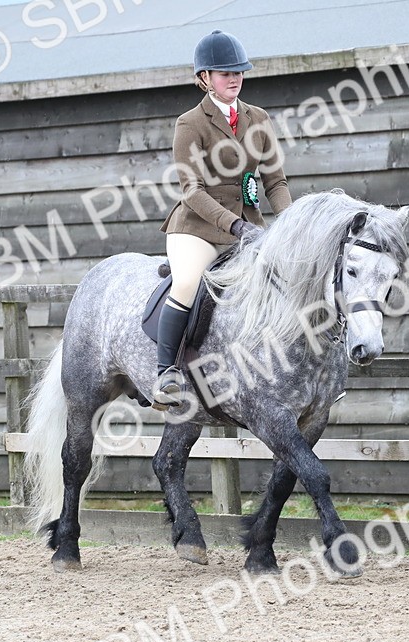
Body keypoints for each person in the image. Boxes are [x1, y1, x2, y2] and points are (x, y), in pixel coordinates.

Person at [153, 29, 292, 409]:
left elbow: (275, 181)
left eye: (239, 72)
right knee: (186, 282)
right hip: (198, 227)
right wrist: (233, 225)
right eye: (224, 73)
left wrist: (292, 222)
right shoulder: (190, 124)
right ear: (204, 79)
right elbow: (192, 190)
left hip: (248, 228)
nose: (234, 78)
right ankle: (166, 372)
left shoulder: (258, 118)